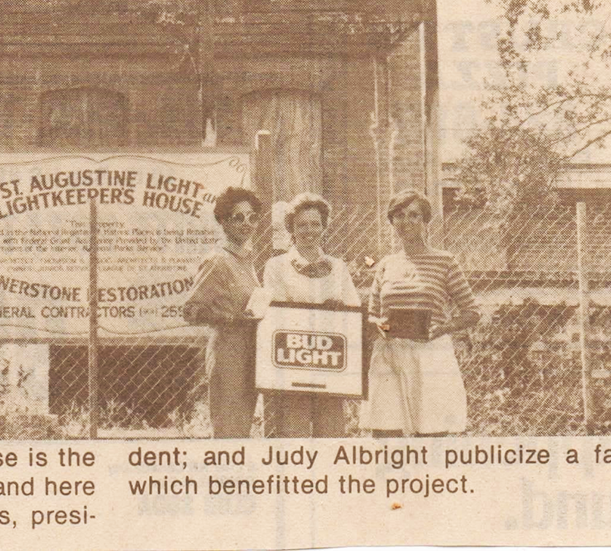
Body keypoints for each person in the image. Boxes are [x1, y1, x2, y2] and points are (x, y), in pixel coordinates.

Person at [360, 189, 480, 437]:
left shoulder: (445, 261)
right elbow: (372, 315)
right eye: (400, 216)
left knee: (431, 437)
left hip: (430, 354)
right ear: (392, 221)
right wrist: (383, 327)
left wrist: (442, 328)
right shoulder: (385, 264)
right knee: (386, 436)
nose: (406, 222)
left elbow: (471, 312)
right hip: (389, 352)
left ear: (426, 221)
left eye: (414, 216)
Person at [261, 193, 360, 438]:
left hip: (330, 364)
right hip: (293, 362)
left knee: (331, 433)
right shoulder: (276, 266)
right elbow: (277, 312)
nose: (309, 231)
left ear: (324, 226)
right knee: (292, 434)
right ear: (291, 229)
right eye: (301, 225)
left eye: (315, 224)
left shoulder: (338, 267)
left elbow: (353, 309)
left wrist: (341, 309)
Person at [183, 186, 265, 438]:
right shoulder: (218, 260)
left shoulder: (246, 259)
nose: (246, 224)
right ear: (223, 220)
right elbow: (191, 310)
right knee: (229, 429)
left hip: (250, 349)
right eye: (238, 217)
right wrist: (232, 318)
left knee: (242, 427)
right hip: (228, 351)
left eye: (252, 217)